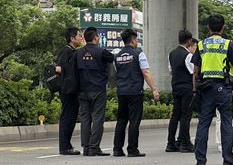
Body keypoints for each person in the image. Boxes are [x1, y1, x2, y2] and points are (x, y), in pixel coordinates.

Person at [192, 14, 233, 165]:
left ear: (209, 27)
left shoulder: (201, 45)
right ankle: (228, 159)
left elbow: (195, 71)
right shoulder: (228, 45)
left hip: (205, 89)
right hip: (223, 89)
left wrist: (195, 90)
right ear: (222, 27)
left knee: (203, 125)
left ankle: (200, 161)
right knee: (226, 124)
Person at [113, 28, 160, 157]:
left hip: (121, 91)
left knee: (121, 120)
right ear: (133, 40)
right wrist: (154, 89)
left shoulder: (117, 56)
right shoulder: (138, 53)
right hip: (135, 91)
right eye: (137, 39)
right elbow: (145, 72)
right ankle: (132, 149)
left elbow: (118, 73)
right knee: (134, 121)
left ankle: (117, 149)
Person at [76, 26, 114, 156]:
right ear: (96, 38)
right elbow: (112, 59)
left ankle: (86, 147)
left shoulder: (78, 53)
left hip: (82, 90)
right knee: (97, 118)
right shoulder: (102, 52)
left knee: (85, 119)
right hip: (98, 90)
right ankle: (94, 147)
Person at [55, 27, 84, 155]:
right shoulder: (66, 51)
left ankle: (66, 145)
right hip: (67, 90)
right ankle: (64, 147)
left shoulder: (72, 51)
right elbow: (58, 69)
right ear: (72, 39)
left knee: (71, 117)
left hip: (71, 90)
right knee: (67, 117)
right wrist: (69, 78)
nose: (81, 37)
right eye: (79, 35)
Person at [166, 29, 195, 153]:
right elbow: (193, 72)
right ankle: (185, 143)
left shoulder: (171, 54)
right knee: (185, 116)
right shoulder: (188, 55)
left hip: (175, 87)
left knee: (175, 115)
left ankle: (171, 143)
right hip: (186, 88)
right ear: (189, 41)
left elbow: (171, 70)